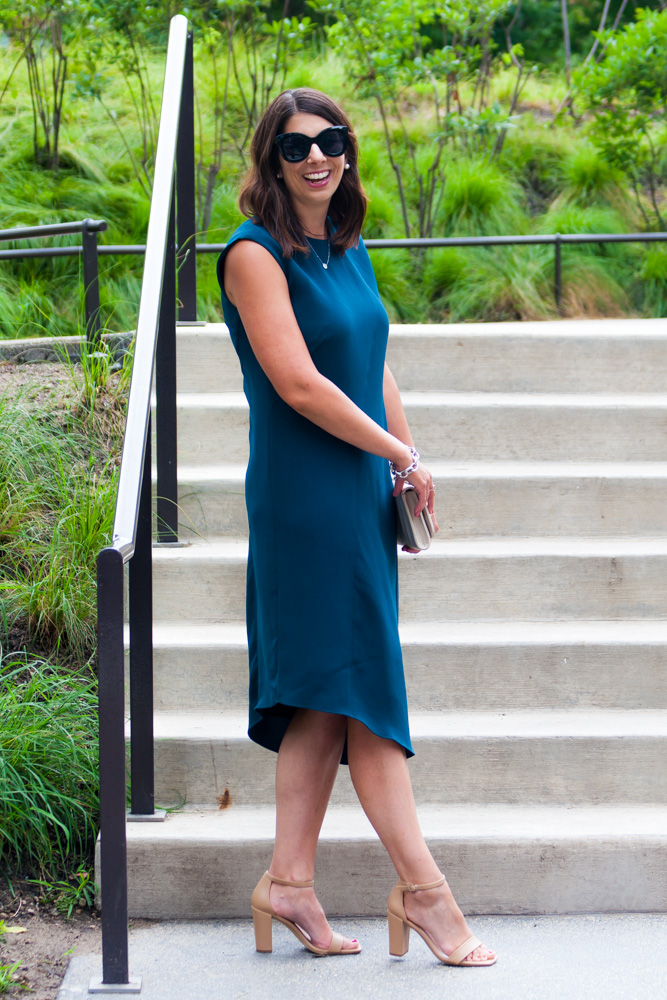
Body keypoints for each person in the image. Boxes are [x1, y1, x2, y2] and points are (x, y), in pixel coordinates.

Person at [216, 87, 496, 968]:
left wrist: (405, 459)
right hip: (305, 501)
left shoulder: (346, 244)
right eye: (296, 146)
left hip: (359, 491)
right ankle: (426, 896)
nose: (316, 158)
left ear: (347, 151)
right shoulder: (254, 255)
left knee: (327, 702)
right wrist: (398, 456)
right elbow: (299, 384)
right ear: (270, 159)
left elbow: (370, 366)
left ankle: (288, 883)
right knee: (365, 696)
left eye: (331, 141)